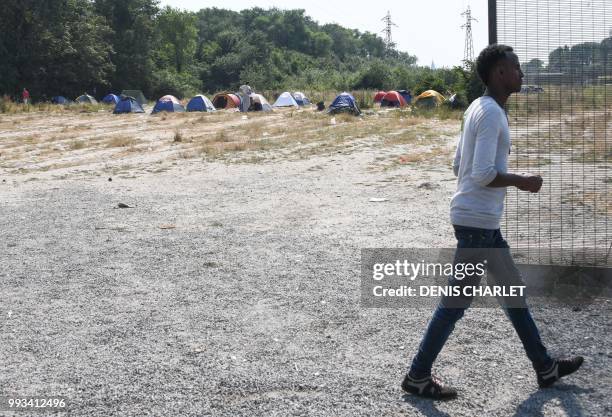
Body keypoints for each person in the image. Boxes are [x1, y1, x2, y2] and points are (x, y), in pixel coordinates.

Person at [401, 44, 583, 400]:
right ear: (500, 73)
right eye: (516, 68)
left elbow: (458, 165)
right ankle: (417, 375)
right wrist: (521, 180)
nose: (522, 74)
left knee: (513, 295)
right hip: (477, 223)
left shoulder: (477, 109)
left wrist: (483, 187)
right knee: (454, 305)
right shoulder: (492, 115)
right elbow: (482, 173)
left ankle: (544, 367)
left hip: (479, 221)